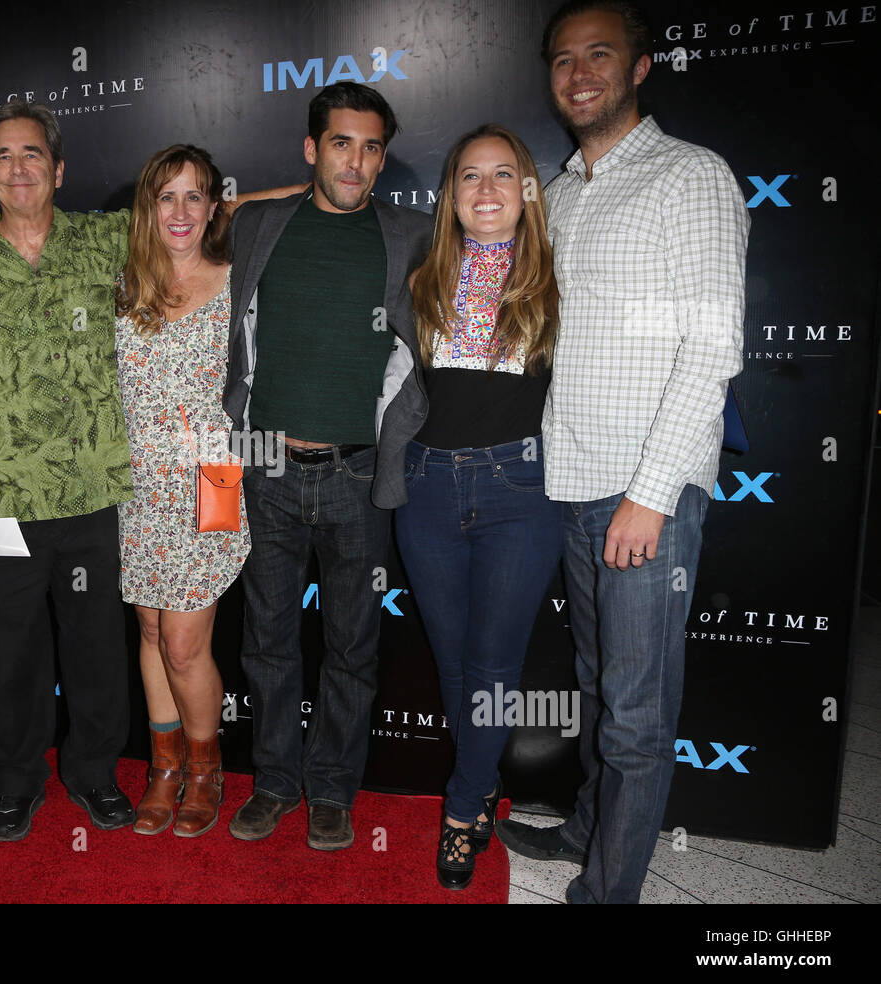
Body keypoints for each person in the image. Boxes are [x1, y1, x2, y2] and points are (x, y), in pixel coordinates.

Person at [494, 0, 749, 904]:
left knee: (637, 717)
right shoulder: (557, 196)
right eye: (563, 60)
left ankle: (610, 895)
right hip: (571, 480)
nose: (579, 74)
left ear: (641, 66)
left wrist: (652, 493)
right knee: (599, 688)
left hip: (647, 491)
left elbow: (712, 349)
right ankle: (589, 829)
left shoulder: (692, 178)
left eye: (599, 54)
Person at [0, 101, 138, 840]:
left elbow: (207, 210)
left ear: (59, 168)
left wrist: (308, 191)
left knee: (97, 649)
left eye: (32, 154)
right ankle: (14, 780)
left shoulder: (106, 242)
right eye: (4, 156)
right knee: (9, 654)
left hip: (93, 491)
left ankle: (95, 773)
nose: (19, 168)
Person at [224, 82, 434, 851]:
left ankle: (332, 792)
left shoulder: (413, 234)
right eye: (340, 143)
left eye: (372, 147)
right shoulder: (258, 224)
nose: (358, 161)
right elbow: (193, 219)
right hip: (265, 470)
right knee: (267, 641)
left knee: (353, 646)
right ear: (312, 149)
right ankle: (276, 783)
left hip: (360, 475)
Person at [395, 124, 561, 889]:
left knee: (493, 665)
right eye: (470, 176)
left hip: (519, 492)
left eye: (504, 174)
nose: (487, 190)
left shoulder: (560, 275)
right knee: (457, 663)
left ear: (529, 189)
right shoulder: (421, 274)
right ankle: (482, 778)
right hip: (426, 487)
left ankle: (463, 808)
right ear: (449, 193)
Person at [114, 145, 249, 837]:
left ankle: (204, 768)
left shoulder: (236, 280)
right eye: (166, 195)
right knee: (147, 628)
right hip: (136, 482)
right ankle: (162, 765)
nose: (180, 211)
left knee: (185, 644)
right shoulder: (125, 284)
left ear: (214, 206)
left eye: (196, 196)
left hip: (212, 477)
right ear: (148, 206)